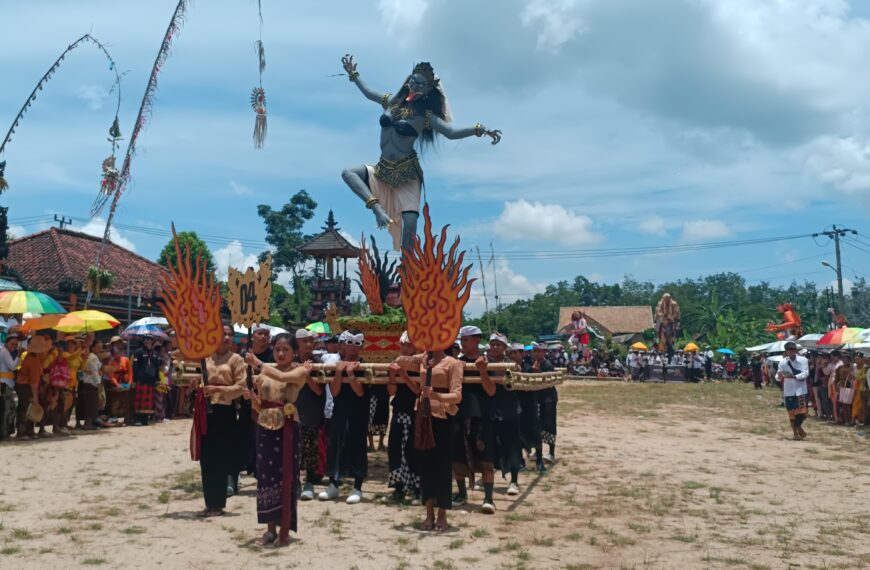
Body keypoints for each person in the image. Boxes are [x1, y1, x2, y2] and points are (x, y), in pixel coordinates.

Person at [339, 55, 501, 254]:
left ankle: (407, 271)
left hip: (408, 174)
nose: (415, 86)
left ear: (428, 91)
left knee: (410, 223)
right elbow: (368, 92)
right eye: (413, 81)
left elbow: (451, 133)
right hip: (382, 170)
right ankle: (377, 209)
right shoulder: (391, 101)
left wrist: (480, 129)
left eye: (421, 84)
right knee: (348, 172)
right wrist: (353, 74)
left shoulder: (425, 117)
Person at [247, 333, 312, 546]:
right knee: (266, 477)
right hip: (265, 427)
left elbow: (283, 378)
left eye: (286, 349)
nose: (281, 353)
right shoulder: (263, 374)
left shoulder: (301, 370)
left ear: (294, 351)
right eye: (277, 350)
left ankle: (284, 527)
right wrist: (252, 399)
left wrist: (258, 363)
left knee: (286, 476)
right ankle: (270, 529)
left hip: (288, 427)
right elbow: (260, 404)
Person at [393, 346, 463, 531]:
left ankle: (442, 514)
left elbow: (457, 395)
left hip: (444, 417)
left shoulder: (453, 363)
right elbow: (399, 360)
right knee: (425, 465)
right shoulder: (424, 359)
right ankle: (429, 514)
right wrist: (422, 360)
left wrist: (436, 395)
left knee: (442, 465)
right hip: (423, 416)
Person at [194, 325, 248, 517]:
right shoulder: (205, 357)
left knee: (221, 456)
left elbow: (241, 387)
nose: (226, 337)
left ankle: (219, 503)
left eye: (229, 334)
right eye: (222, 334)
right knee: (207, 457)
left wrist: (218, 390)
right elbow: (179, 354)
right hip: (206, 411)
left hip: (225, 411)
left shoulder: (236, 359)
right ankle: (210, 502)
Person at [319, 330, 369, 504]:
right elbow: (334, 391)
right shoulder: (336, 365)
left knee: (358, 446)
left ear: (362, 347)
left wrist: (351, 374)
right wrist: (340, 372)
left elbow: (361, 392)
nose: (352, 348)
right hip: (339, 411)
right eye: (349, 343)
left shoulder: (365, 365)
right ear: (342, 344)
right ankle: (333, 484)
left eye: (357, 344)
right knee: (335, 445)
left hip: (359, 412)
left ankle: (357, 486)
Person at [452, 325, 497, 514]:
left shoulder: (488, 362)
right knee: (457, 456)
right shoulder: (456, 363)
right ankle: (462, 494)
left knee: (485, 458)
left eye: (466, 340)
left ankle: (488, 499)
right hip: (459, 413)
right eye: (462, 340)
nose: (463, 343)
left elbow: (491, 390)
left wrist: (483, 371)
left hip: (482, 415)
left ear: (477, 340)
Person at [386, 331, 422, 504]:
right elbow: (391, 392)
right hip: (400, 411)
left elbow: (418, 390)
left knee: (414, 451)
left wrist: (403, 374)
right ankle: (399, 487)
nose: (406, 348)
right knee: (395, 449)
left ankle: (417, 488)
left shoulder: (423, 364)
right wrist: (394, 375)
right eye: (404, 344)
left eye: (409, 344)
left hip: (416, 413)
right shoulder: (396, 362)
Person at [487, 333, 523, 497]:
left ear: (504, 348)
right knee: (490, 445)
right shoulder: (484, 362)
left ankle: (514, 481)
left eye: (498, 345)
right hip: (490, 409)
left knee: (513, 445)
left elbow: (512, 383)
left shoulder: (511, 364)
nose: (494, 347)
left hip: (509, 409)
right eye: (492, 344)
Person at [293, 329, 326, 501]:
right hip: (294, 409)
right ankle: (295, 482)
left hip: (312, 409)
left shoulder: (318, 362)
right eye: (304, 341)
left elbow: (319, 391)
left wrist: (305, 375)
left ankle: (310, 483)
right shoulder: (290, 361)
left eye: (310, 341)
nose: (308, 344)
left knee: (311, 448)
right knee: (294, 448)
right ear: (297, 343)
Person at [16, 335, 49, 439]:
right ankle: (23, 432)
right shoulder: (34, 361)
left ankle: (28, 431)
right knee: (26, 408)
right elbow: (33, 383)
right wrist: (35, 396)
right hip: (25, 386)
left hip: (23, 385)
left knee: (27, 408)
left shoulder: (31, 357)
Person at [776, 341, 809, 440]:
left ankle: (798, 426)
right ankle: (795, 433)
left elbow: (805, 373)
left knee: (804, 411)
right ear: (786, 352)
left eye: (793, 350)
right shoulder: (782, 362)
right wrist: (779, 376)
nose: (791, 352)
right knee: (792, 413)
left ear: (795, 350)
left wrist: (794, 376)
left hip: (801, 389)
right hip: (789, 390)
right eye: (789, 351)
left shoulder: (803, 360)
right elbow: (778, 376)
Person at [77, 339, 103, 431]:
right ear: (93, 348)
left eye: (101, 347)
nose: (100, 349)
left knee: (90, 404)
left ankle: (89, 423)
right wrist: (99, 384)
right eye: (98, 347)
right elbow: (94, 372)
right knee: (91, 404)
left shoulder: (91, 357)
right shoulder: (93, 358)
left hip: (88, 382)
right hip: (91, 383)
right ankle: (88, 424)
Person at [105, 339, 132, 423]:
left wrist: (130, 383)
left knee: (127, 401)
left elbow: (130, 372)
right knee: (115, 402)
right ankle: (114, 417)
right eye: (115, 354)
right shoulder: (112, 363)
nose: (117, 355)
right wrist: (117, 385)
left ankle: (127, 418)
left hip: (126, 383)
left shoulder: (126, 359)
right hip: (116, 384)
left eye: (118, 353)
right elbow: (111, 376)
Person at [0, 332, 21, 440]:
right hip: (5, 383)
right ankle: (4, 433)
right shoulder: (4, 352)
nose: (13, 346)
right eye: (12, 344)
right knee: (8, 409)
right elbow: (12, 366)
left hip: (7, 383)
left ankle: (6, 431)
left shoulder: (4, 351)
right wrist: (19, 355)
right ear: (6, 343)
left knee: (8, 408)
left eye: (15, 345)